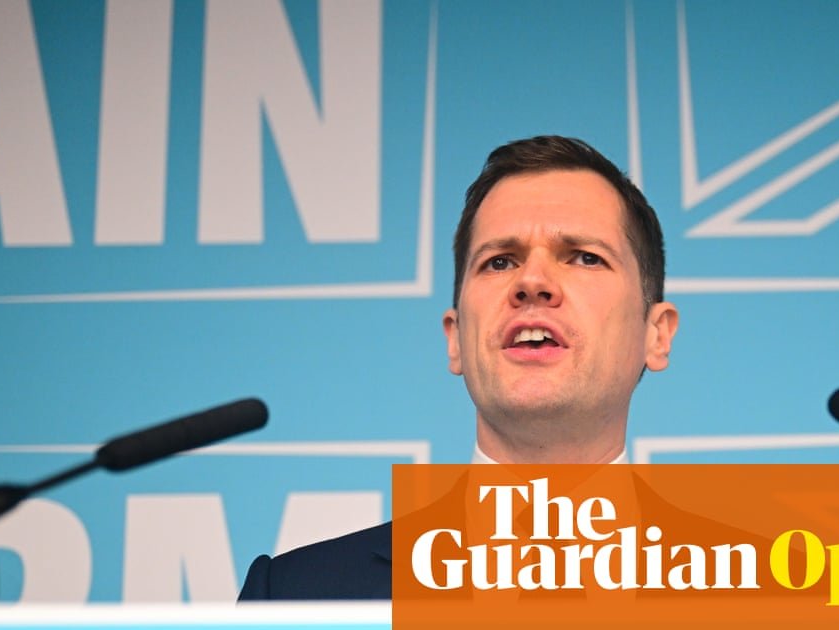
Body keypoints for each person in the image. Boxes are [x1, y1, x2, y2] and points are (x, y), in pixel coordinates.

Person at [238, 135, 679, 600]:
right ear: (455, 339)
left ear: (656, 334)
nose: (532, 281)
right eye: (499, 261)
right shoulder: (294, 595)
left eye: (586, 257)